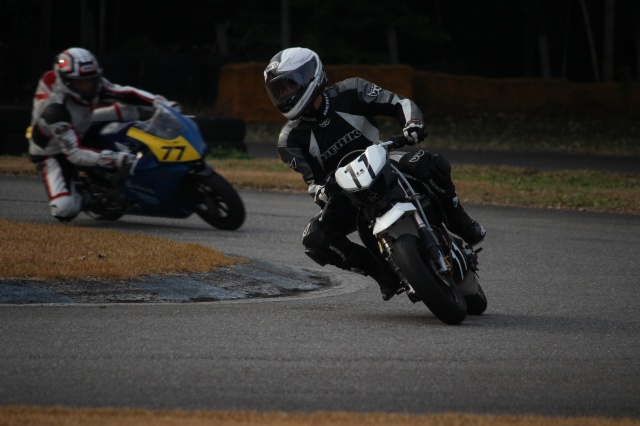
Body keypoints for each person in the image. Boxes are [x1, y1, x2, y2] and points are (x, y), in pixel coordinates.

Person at [264, 47, 486, 301]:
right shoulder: (288, 141)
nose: (284, 94)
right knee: (315, 238)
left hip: (384, 161)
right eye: (278, 91)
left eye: (289, 86)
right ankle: (382, 273)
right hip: (347, 192)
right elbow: (314, 182)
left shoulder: (351, 90)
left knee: (430, 164)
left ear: (310, 76)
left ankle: (458, 220)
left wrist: (412, 124)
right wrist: (325, 192)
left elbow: (400, 103)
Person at [28, 47, 177, 222]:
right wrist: (114, 159)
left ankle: (140, 144)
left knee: (128, 111)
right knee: (65, 208)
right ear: (65, 81)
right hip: (54, 150)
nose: (87, 87)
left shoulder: (95, 83)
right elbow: (74, 154)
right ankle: (88, 197)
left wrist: (161, 104)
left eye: (90, 81)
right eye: (80, 83)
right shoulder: (54, 110)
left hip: (82, 123)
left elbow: (124, 92)